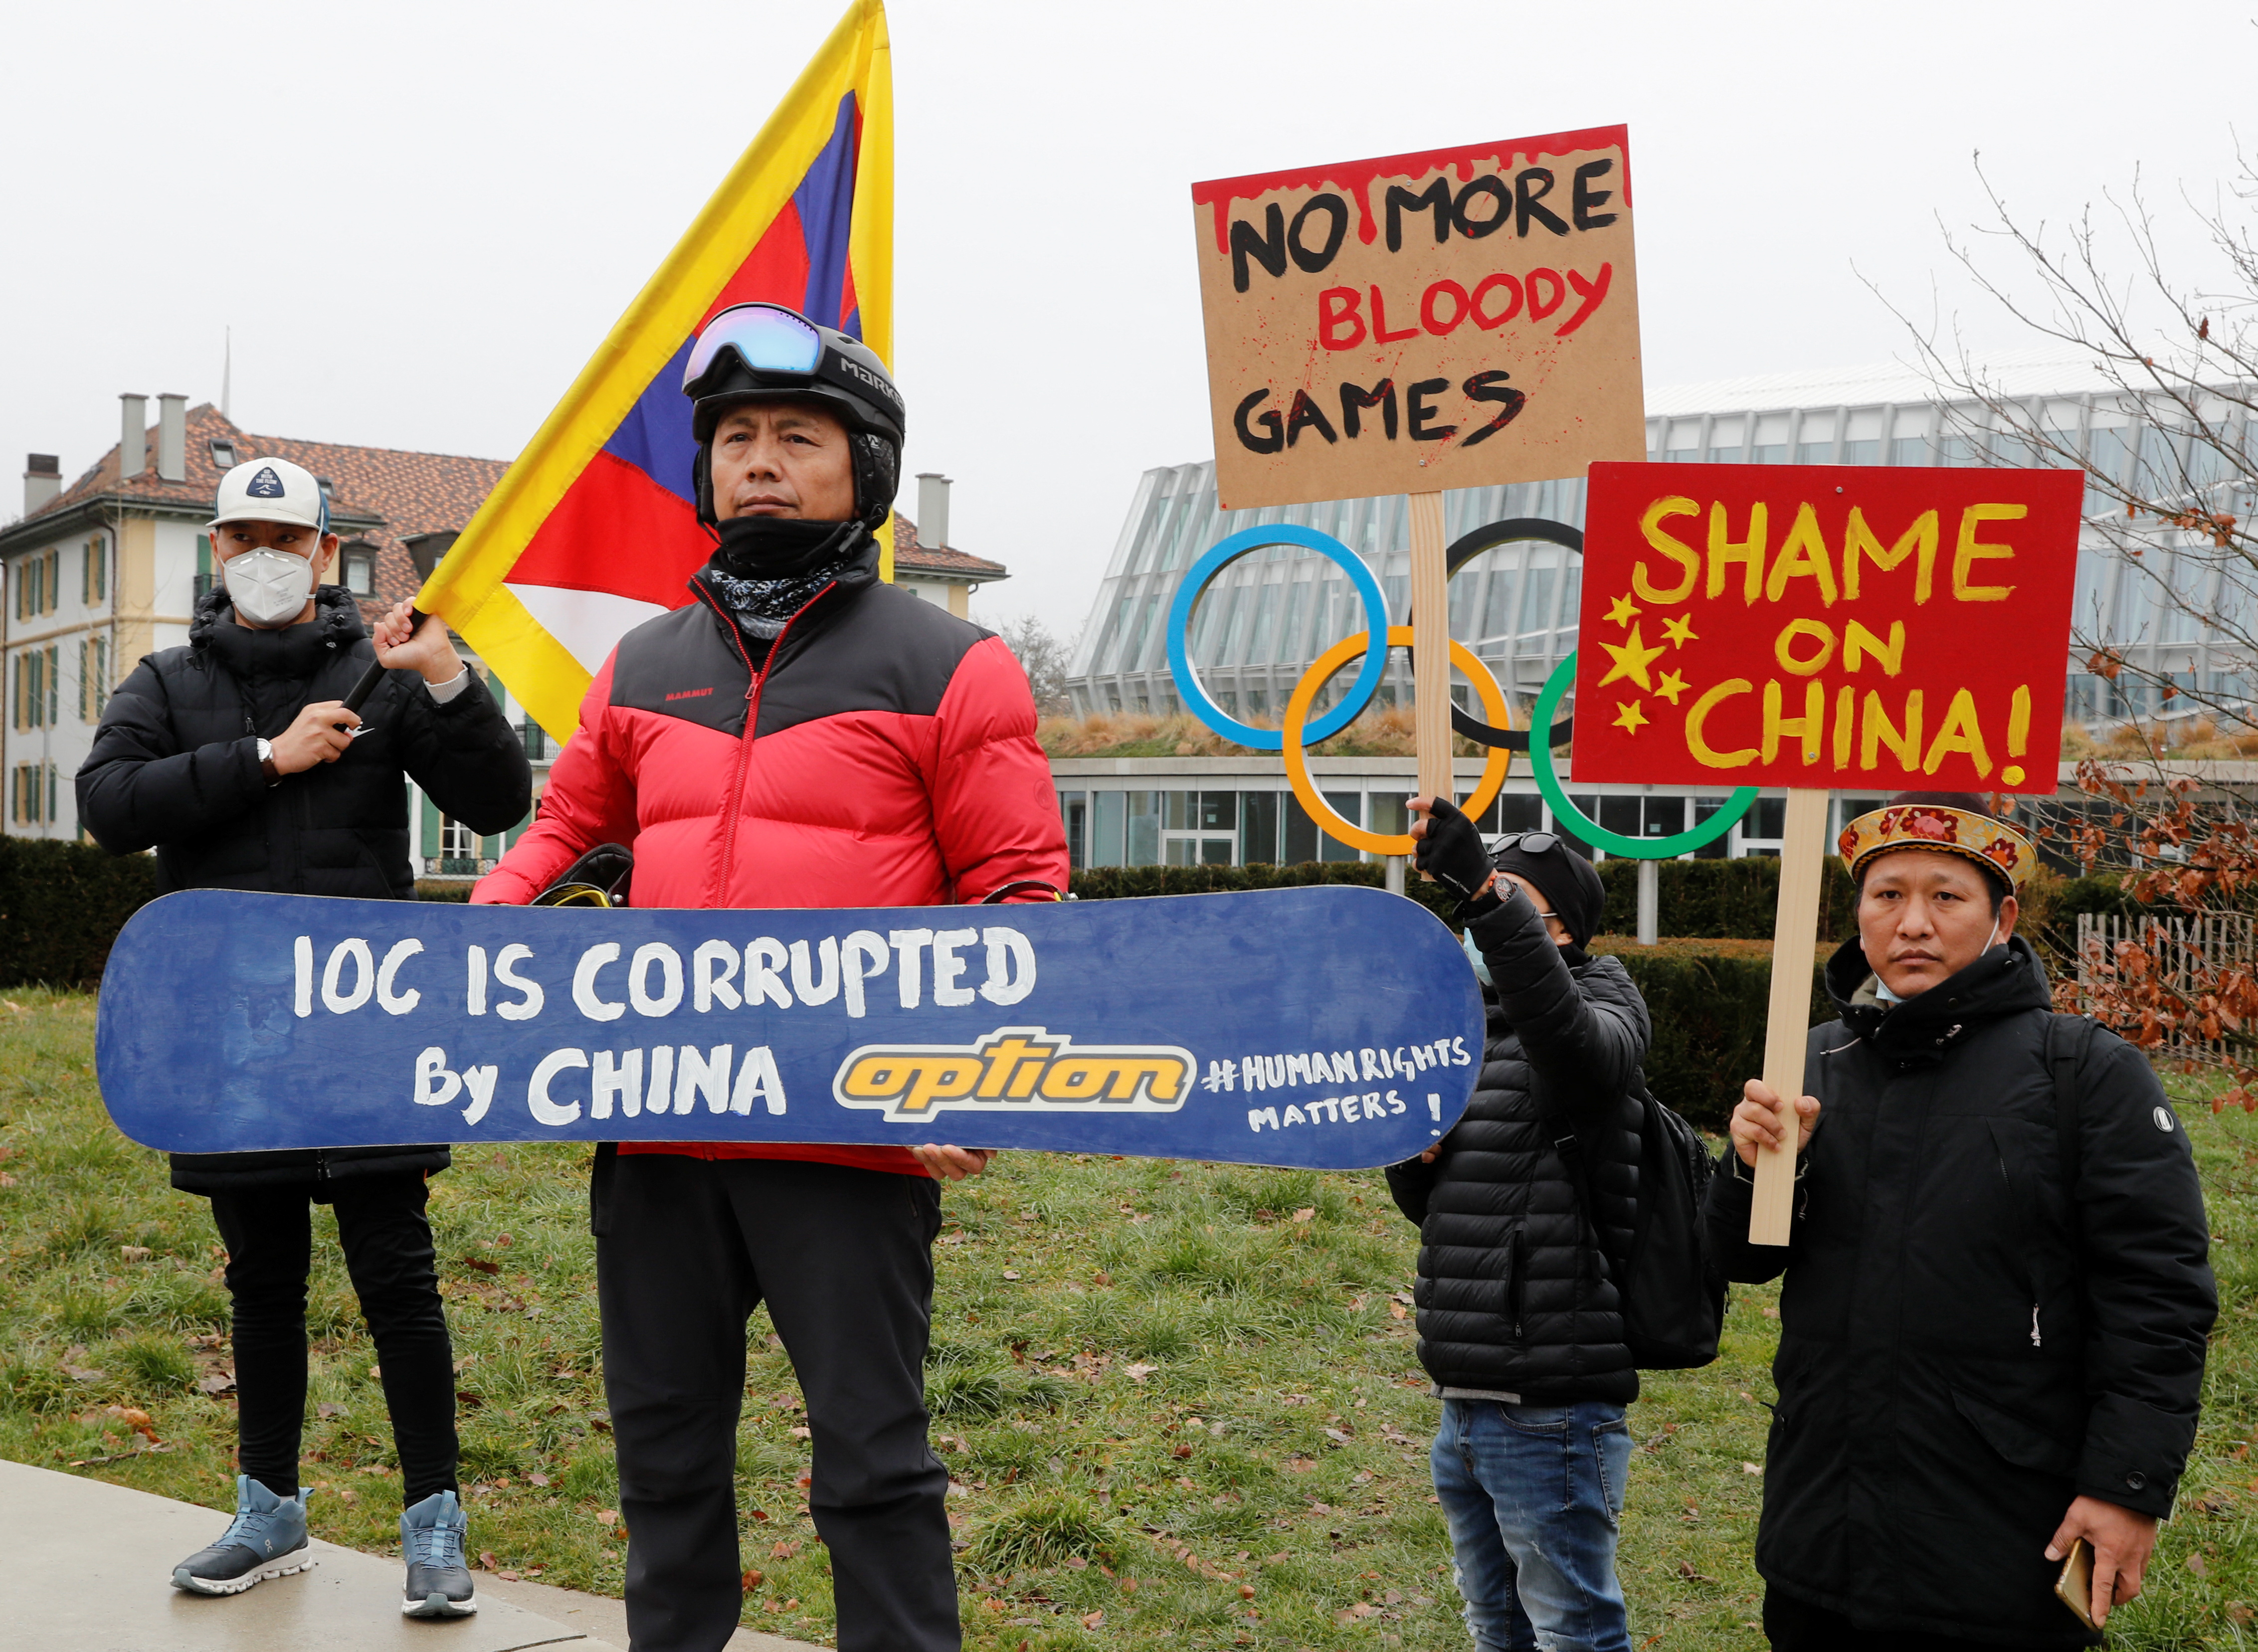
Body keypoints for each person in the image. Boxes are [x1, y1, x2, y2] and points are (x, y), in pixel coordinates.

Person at [472, 301, 1068, 1652]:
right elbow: (567, 825)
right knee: (664, 1469)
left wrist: (976, 1082)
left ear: (864, 468)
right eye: (736, 436)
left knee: (875, 1471)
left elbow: (1021, 897)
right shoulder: (643, 662)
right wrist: (477, 944)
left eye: (797, 435)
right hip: (660, 1133)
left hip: (851, 1142)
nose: (759, 459)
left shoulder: (951, 662)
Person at [78, 454, 531, 1617]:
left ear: (328, 554)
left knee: (399, 1276)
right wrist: (263, 760)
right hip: (233, 1038)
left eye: (289, 538)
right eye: (243, 539)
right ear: (214, 553)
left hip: (368, 1032)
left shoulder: (377, 671)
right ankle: (268, 1507)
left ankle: (436, 1522)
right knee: (261, 1280)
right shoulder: (166, 679)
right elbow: (109, 804)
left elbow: (495, 803)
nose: (265, 558)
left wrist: (445, 683)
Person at [1709, 792, 2217, 1650]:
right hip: (1820, 1538)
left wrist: (2127, 1488)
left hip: (2001, 1552)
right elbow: (1742, 1256)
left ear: (2002, 917)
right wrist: (1753, 1169)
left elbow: (2158, 1297)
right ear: (1858, 913)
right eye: (1887, 895)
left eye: (1946, 896)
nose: (1913, 923)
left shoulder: (2084, 1072)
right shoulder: (1811, 1061)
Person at [1389, 796, 1649, 1652]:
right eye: (1479, 904)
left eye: (1507, 903)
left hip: (1552, 1408)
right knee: (1494, 1628)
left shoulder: (1605, 1005)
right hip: (1464, 1400)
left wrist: (1481, 890)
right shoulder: (1465, 1033)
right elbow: (1449, 1211)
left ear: (1561, 932)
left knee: (1573, 1631)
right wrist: (1411, 1158)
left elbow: (1572, 1047)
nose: (1479, 920)